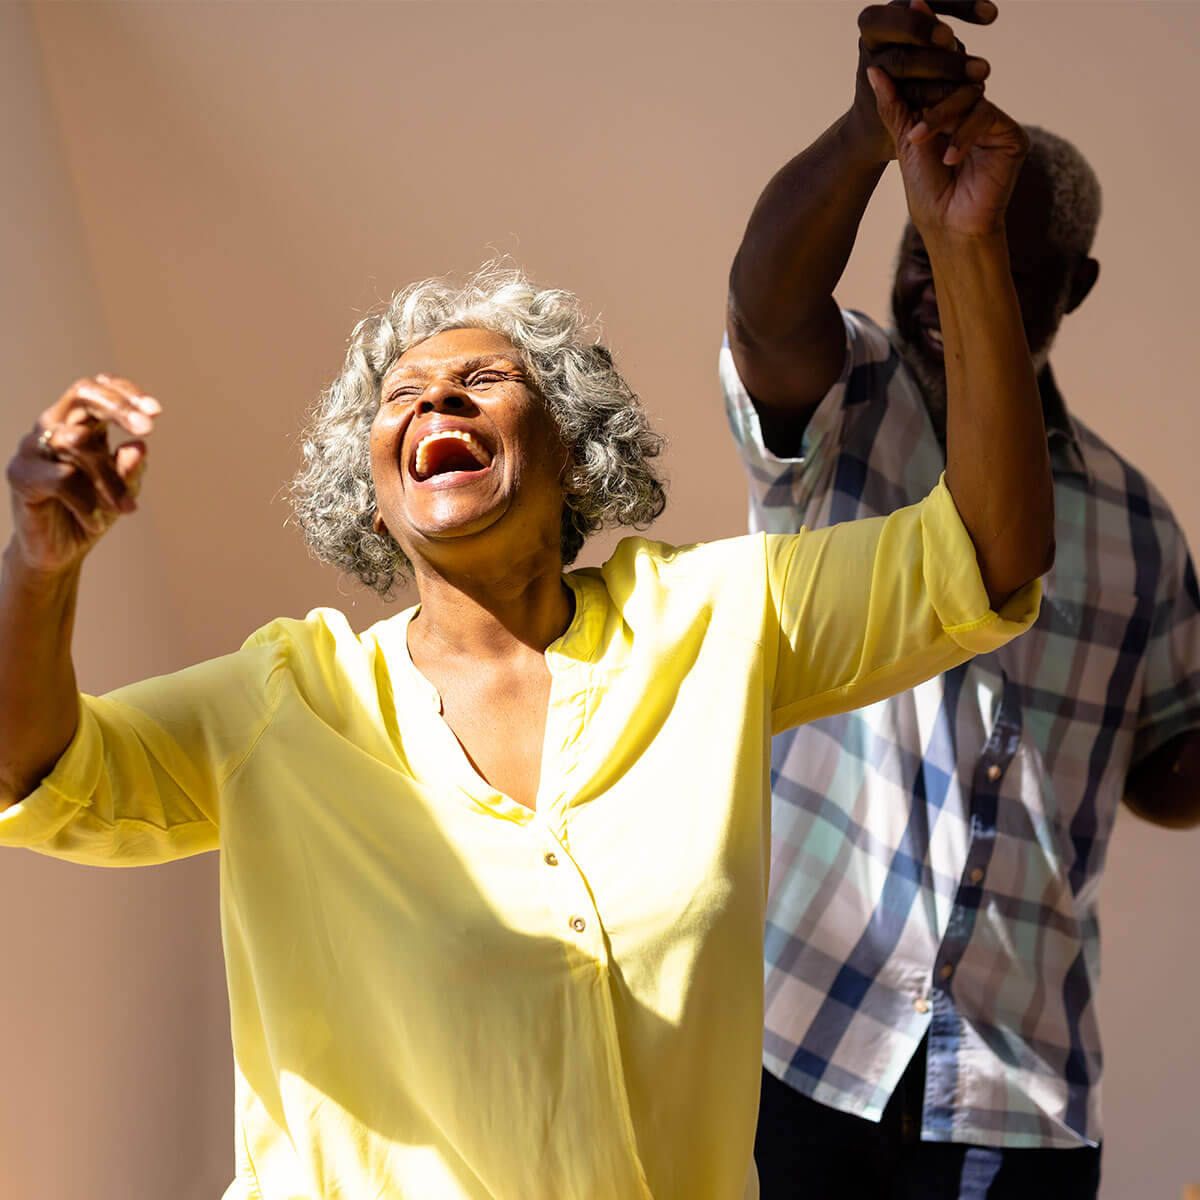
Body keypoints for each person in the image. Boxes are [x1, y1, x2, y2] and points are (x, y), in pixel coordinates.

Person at [0, 74, 1048, 1199]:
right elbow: (38, 774)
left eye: (481, 381)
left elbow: (984, 552)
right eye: (401, 400)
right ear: (371, 486)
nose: (434, 406)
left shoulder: (716, 620)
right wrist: (37, 568)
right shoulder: (287, 697)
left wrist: (965, 243)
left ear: (571, 444)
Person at [724, 2, 1200, 1198]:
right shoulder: (848, 405)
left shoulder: (1144, 530)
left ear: (1074, 287)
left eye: (998, 255)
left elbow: (1169, 772)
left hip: (1020, 1095)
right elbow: (763, 306)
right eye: (927, 245)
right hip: (799, 1044)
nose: (945, 275)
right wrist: (864, 129)